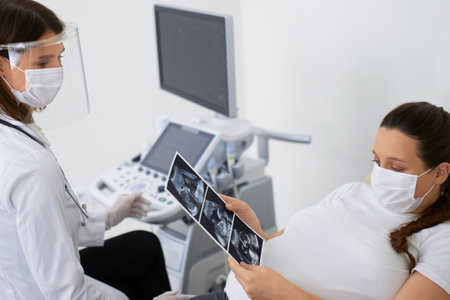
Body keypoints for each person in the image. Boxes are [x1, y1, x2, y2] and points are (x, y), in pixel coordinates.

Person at [189, 101, 450, 300]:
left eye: (396, 168)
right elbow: (284, 248)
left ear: (440, 172)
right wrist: (253, 231)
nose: (380, 175)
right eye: (377, 162)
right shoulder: (351, 192)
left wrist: (282, 293)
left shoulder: (440, 239)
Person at [0, 0, 170, 299]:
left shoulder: (12, 132)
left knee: (143, 246)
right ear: (3, 66)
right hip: (41, 292)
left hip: (22, 280)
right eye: (42, 63)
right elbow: (67, 293)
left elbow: (44, 226)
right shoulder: (30, 168)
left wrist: (111, 216)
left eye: (59, 58)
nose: (57, 72)